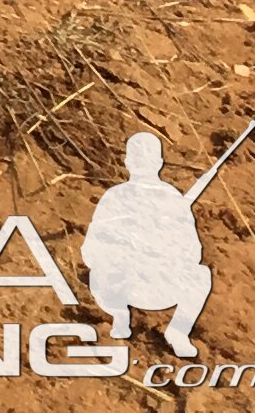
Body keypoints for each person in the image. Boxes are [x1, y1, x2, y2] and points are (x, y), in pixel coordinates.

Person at [82, 131, 215, 356]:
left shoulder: (170, 199)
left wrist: (161, 253)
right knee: (200, 274)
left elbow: (192, 252)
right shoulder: (117, 197)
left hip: (154, 285)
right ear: (159, 163)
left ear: (127, 162)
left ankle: (176, 331)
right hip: (123, 284)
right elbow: (92, 250)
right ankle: (120, 316)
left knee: (200, 274)